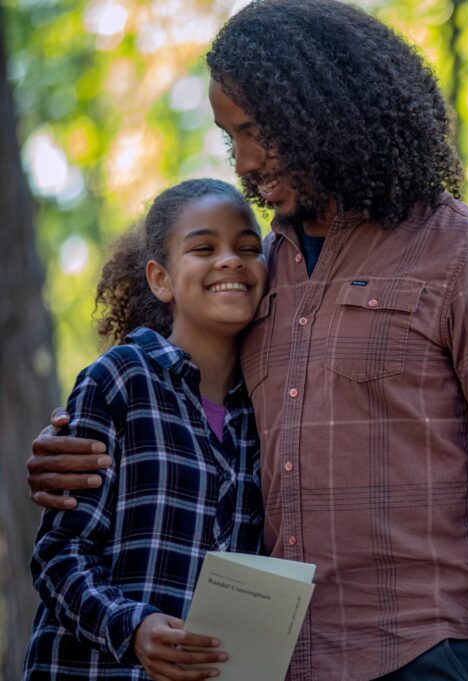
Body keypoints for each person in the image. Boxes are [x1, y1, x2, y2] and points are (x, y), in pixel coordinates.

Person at [27, 3, 468, 680]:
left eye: (257, 132)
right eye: (229, 136)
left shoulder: (460, 253)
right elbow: (180, 395)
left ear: (326, 109)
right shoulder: (257, 269)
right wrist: (72, 444)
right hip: (279, 660)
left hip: (429, 650)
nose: (244, 160)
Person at [23, 178, 267, 681]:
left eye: (249, 248)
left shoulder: (265, 410)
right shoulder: (120, 379)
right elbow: (58, 553)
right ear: (161, 279)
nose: (231, 260)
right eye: (204, 247)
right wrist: (132, 627)